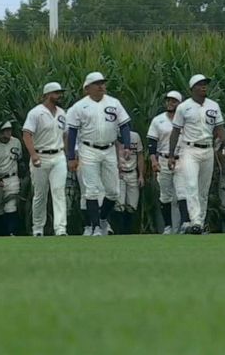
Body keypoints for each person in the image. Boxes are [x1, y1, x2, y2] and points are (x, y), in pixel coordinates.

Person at [66, 71, 132, 236]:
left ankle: (102, 218)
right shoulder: (79, 107)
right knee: (91, 190)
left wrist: (127, 146)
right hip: (88, 149)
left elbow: (124, 125)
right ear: (87, 88)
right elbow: (72, 132)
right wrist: (71, 157)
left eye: (102, 83)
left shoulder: (114, 103)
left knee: (113, 191)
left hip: (109, 149)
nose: (101, 86)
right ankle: (95, 226)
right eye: (97, 83)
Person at [168, 74, 225, 235]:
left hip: (208, 149)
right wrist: (171, 155)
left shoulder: (213, 105)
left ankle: (200, 223)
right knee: (191, 185)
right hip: (190, 149)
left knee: (204, 189)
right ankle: (194, 219)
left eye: (205, 84)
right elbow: (175, 132)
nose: (204, 87)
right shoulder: (184, 107)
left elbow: (220, 127)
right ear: (192, 88)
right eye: (200, 84)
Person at [22, 82, 68, 236]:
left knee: (59, 191)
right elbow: (27, 134)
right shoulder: (36, 113)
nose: (60, 95)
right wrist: (33, 154)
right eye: (56, 93)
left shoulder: (62, 113)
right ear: (48, 95)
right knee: (40, 193)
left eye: (60, 92)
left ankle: (60, 228)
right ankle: (38, 228)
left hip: (58, 155)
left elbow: (65, 135)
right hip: (40, 155)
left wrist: (68, 155)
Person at [147, 91, 186, 235]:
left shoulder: (185, 120)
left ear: (180, 103)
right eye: (168, 100)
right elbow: (152, 142)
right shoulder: (158, 120)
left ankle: (184, 224)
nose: (170, 103)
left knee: (182, 192)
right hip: (163, 160)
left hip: (181, 159)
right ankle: (168, 226)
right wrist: (153, 161)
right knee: (165, 195)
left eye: (174, 101)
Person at [0, 121, 22, 236]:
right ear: (0, 132)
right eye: (5, 130)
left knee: (11, 206)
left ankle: (11, 233)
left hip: (12, 177)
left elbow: (19, 159)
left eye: (9, 129)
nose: (8, 132)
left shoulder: (16, 142)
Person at [114, 130, 144, 234]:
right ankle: (120, 231)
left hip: (132, 172)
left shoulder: (135, 136)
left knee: (132, 205)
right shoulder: (114, 135)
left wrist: (141, 175)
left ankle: (129, 231)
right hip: (119, 173)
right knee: (119, 204)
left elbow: (140, 155)